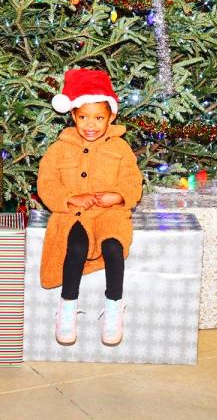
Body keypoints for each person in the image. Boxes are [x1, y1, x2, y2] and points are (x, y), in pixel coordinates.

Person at [36, 68, 143, 347]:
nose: (90, 125)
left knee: (113, 247)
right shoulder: (59, 149)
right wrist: (70, 199)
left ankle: (114, 307)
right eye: (83, 117)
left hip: (110, 214)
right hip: (75, 214)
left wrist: (117, 197)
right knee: (76, 248)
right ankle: (67, 308)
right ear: (73, 115)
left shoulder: (120, 148)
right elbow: (46, 183)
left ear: (111, 117)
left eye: (98, 118)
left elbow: (133, 181)